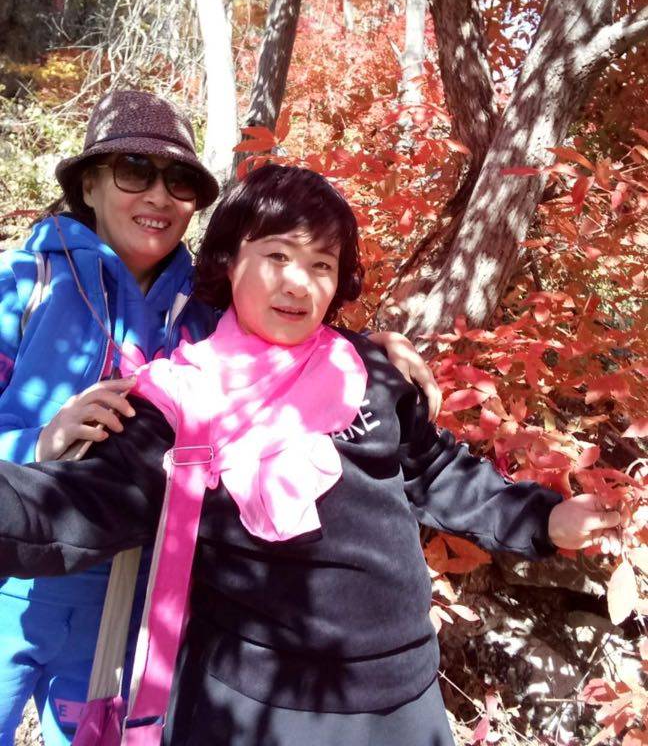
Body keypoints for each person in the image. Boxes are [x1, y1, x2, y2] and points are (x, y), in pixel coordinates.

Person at [0, 165, 618, 746]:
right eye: (276, 256)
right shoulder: (179, 399)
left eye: (322, 264)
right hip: (254, 705)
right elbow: (79, 508)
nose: (298, 283)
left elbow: (436, 473)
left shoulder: (367, 369)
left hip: (404, 698)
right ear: (228, 262)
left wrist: (545, 520)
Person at [0, 96, 438, 745]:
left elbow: (277, 342)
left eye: (180, 180)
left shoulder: (204, 306)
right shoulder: (22, 285)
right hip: (14, 584)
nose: (158, 195)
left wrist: (365, 347)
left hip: (131, 600)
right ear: (88, 184)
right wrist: (37, 441)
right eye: (134, 170)